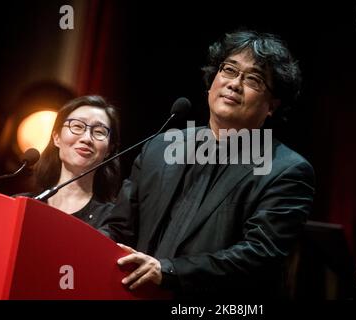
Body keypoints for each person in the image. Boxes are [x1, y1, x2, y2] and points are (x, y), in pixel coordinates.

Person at [100, 30, 315, 300]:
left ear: (272, 106)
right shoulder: (160, 147)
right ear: (211, 81)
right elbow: (118, 228)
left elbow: (259, 254)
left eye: (254, 79)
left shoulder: (286, 170)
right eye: (229, 70)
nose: (235, 84)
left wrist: (168, 272)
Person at [30, 95, 121, 229]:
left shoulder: (112, 220)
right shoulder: (23, 204)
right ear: (56, 137)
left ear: (109, 150)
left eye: (99, 131)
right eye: (77, 126)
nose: (86, 138)